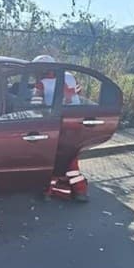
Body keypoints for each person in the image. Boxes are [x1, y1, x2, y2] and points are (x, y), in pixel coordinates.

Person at [31, 54, 88, 202]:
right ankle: (80, 191)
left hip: (58, 122)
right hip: (76, 121)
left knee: (52, 158)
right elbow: (78, 93)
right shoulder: (69, 76)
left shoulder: (42, 83)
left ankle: (49, 191)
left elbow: (35, 105)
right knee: (70, 159)